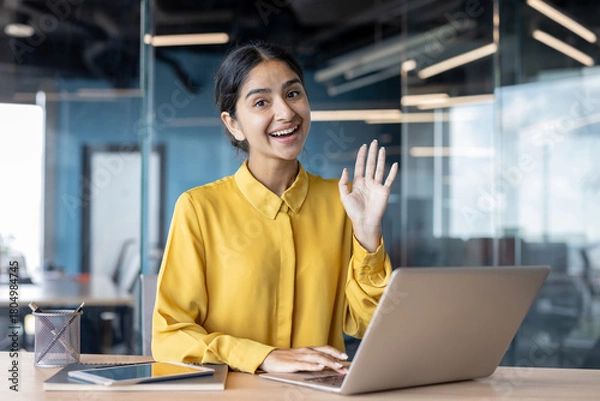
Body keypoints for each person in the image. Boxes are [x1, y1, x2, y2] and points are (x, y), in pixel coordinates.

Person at [152, 42, 398, 374]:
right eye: (262, 102)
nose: (285, 112)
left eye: (293, 94)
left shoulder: (343, 202)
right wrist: (262, 356)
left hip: (316, 395)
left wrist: (368, 235)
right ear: (234, 123)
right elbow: (170, 337)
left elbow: (366, 324)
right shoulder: (200, 209)